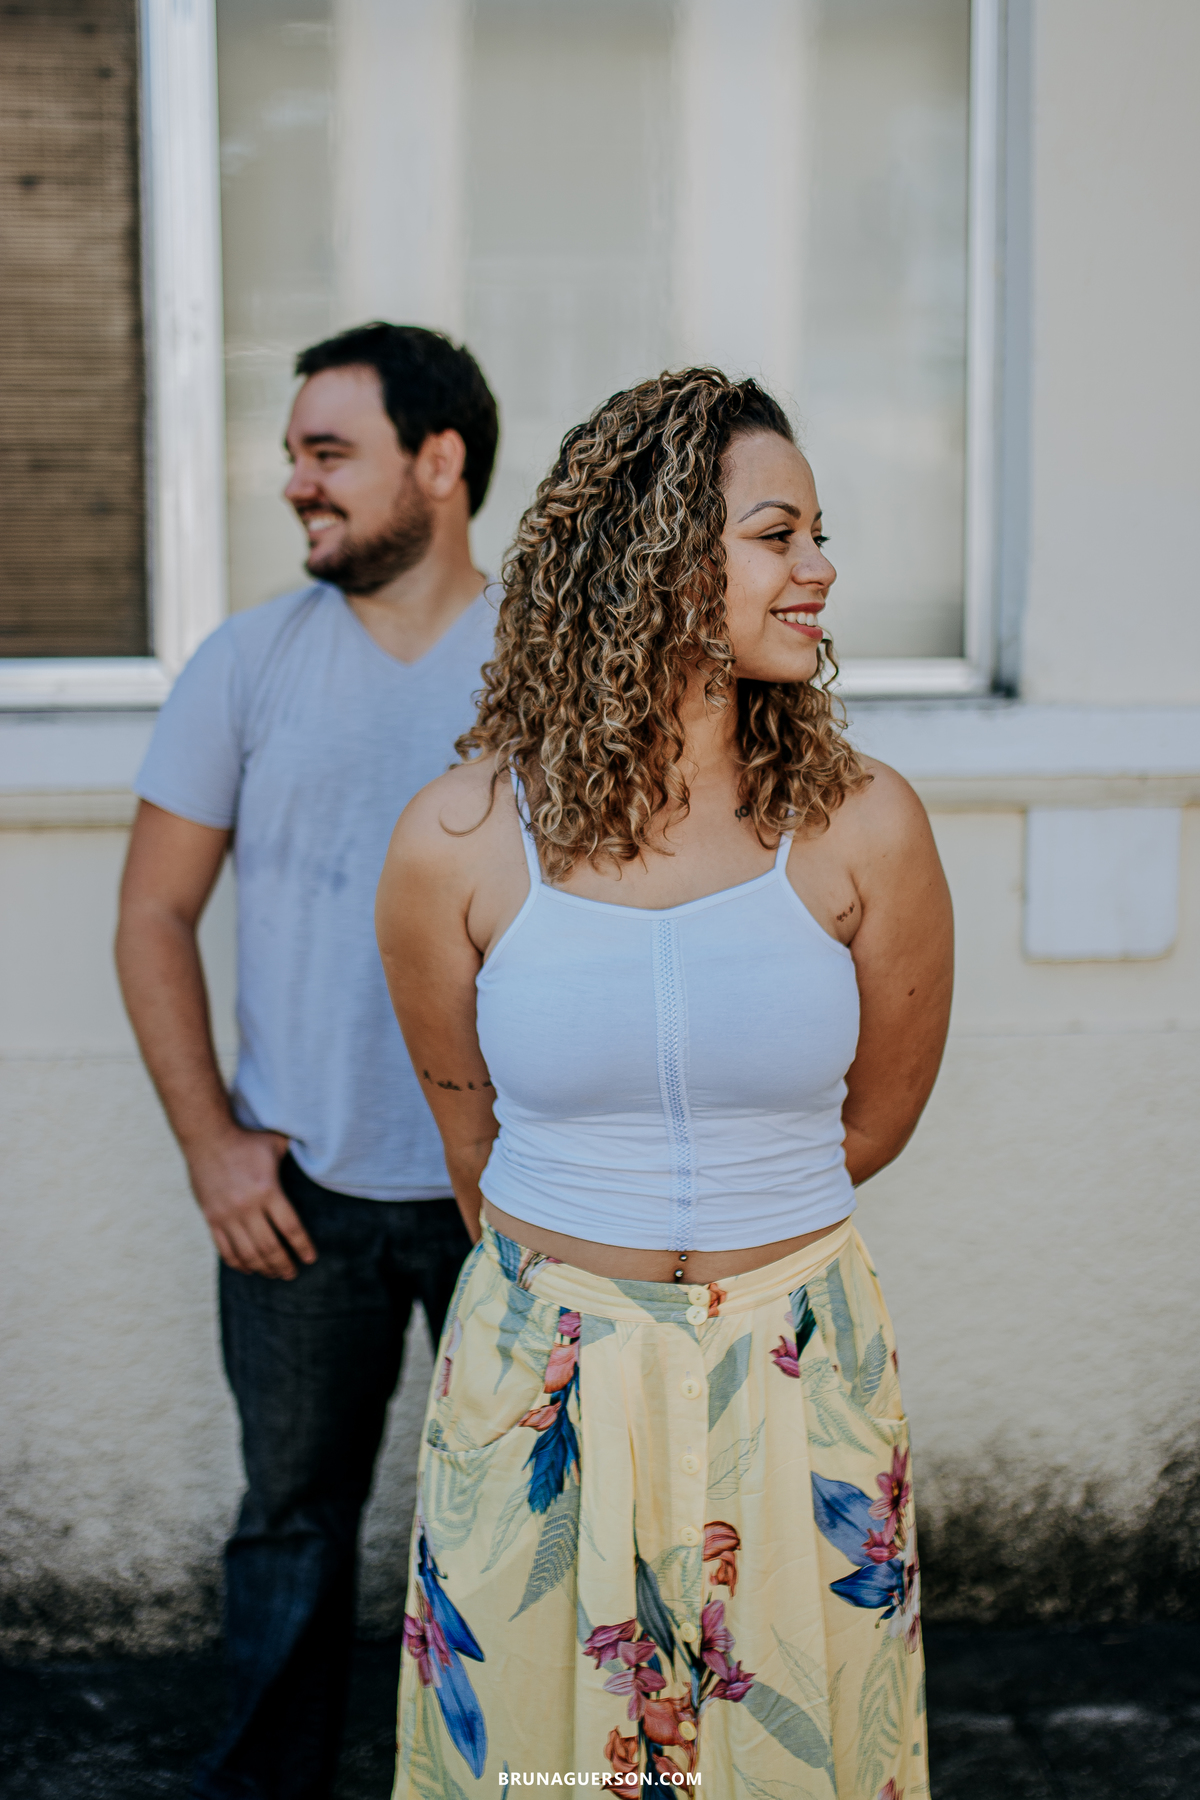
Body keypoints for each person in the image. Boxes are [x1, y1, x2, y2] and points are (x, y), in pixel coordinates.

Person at [375, 369, 953, 1795]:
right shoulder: (457, 843)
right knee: (542, 1773)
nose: (820, 570)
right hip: (542, 1387)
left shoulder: (864, 825)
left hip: (798, 1373)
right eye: (780, 534)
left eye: (819, 533)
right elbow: (473, 1143)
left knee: (791, 1765)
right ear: (658, 555)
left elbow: (873, 1117)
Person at [115, 323, 500, 1800]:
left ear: (441, 461)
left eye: (327, 452)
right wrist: (212, 1143)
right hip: (303, 1197)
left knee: (525, 1525)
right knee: (289, 1521)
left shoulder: (546, 663)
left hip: (512, 1198)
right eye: (293, 454)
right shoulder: (248, 663)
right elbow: (153, 913)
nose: (295, 483)